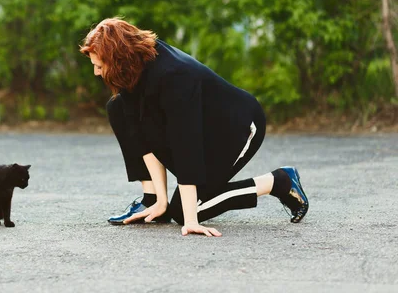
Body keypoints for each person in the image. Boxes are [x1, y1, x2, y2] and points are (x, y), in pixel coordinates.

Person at [80, 18, 309, 237]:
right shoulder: (133, 68)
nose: (96, 73)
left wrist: (191, 221)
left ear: (118, 59)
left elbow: (185, 143)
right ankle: (150, 201)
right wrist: (160, 199)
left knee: (183, 212)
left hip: (237, 128)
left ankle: (279, 181)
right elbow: (143, 136)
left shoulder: (174, 75)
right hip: (202, 127)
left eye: (99, 66)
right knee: (117, 108)